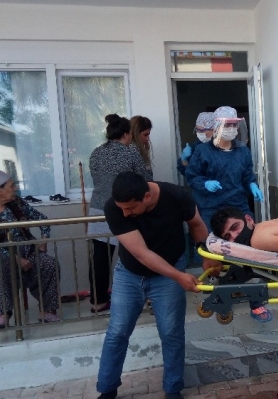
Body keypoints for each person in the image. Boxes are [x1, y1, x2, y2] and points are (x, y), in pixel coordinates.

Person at [96, 171, 208, 399]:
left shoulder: (177, 196)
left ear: (147, 197)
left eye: (130, 208)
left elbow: (196, 224)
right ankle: (107, 389)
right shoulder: (114, 207)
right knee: (117, 332)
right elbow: (142, 254)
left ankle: (173, 389)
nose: (125, 214)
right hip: (129, 274)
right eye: (122, 209)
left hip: (169, 269)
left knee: (171, 332)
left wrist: (206, 255)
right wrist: (179, 276)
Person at [184, 106, 269, 322]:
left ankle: (254, 300)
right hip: (211, 209)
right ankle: (220, 296)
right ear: (217, 126)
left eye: (234, 125)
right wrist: (204, 183)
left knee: (248, 252)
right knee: (214, 256)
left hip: (238, 208)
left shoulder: (242, 151)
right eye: (227, 125)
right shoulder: (203, 152)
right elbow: (192, 176)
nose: (232, 129)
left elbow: (247, 175)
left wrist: (252, 185)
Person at [87, 114, 152, 313]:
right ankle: (144, 296)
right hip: (124, 207)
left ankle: (98, 301)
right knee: (136, 252)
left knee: (100, 257)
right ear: (126, 134)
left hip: (97, 207)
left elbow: (96, 179)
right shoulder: (131, 151)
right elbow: (144, 179)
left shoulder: (96, 152)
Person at [0, 170, 60, 328]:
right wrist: (16, 259)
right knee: (0, 266)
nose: (15, 189)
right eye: (12, 186)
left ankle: (46, 311)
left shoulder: (17, 203)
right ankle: (3, 315)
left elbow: (42, 219)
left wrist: (44, 239)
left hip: (26, 250)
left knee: (49, 264)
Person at [177, 111, 215, 178]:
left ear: (213, 130)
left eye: (202, 130)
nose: (198, 133)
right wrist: (184, 160)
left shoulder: (225, 146)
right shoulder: (197, 146)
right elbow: (189, 173)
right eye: (197, 130)